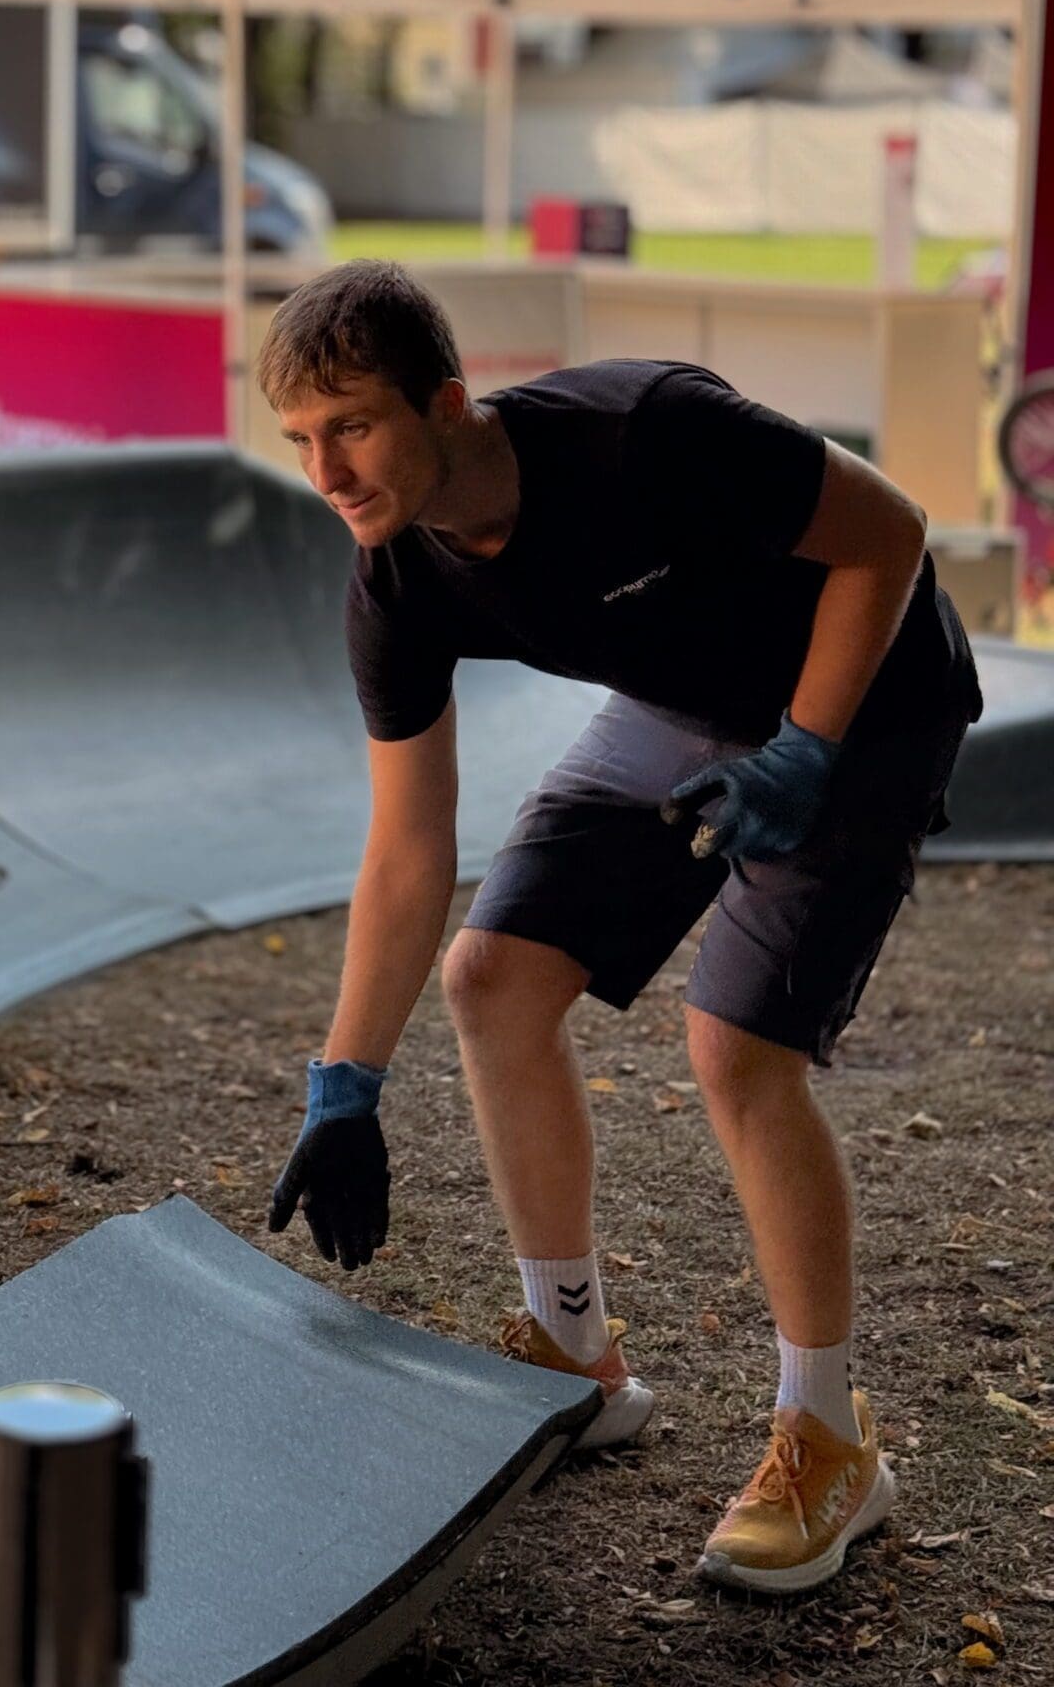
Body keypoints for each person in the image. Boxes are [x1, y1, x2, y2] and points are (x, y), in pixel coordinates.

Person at [262, 261, 979, 1597]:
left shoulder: (644, 436)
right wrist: (344, 1081)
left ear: (447, 402)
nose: (329, 470)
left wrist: (806, 752)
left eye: (352, 424)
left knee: (735, 1051)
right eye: (300, 440)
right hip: (681, 708)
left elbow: (891, 531)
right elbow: (411, 847)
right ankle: (575, 1355)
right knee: (492, 978)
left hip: (865, 699)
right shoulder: (398, 583)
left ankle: (831, 1441)